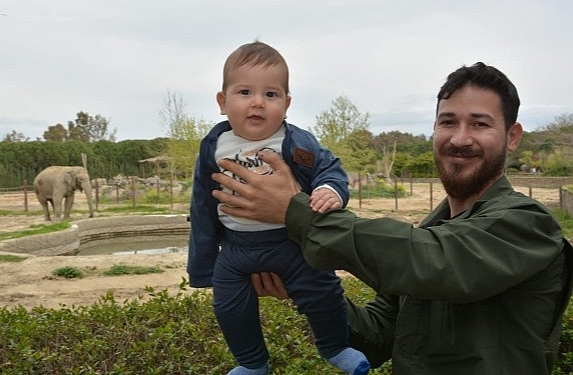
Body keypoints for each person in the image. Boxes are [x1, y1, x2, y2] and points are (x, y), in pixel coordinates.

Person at [210, 62, 573, 375]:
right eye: (448, 122)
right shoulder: (434, 229)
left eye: (479, 124)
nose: (460, 138)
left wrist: (297, 211)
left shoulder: (529, 225)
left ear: (512, 137)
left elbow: (436, 262)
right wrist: (302, 289)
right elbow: (379, 334)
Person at [187, 41, 370, 375]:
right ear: (222, 101)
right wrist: (202, 266)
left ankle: (335, 347)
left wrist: (330, 189)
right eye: (245, 92)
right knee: (229, 307)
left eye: (271, 95)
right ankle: (252, 364)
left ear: (286, 105)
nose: (258, 102)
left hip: (291, 244)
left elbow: (329, 168)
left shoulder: (296, 142)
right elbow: (201, 204)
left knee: (323, 290)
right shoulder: (213, 146)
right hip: (236, 249)